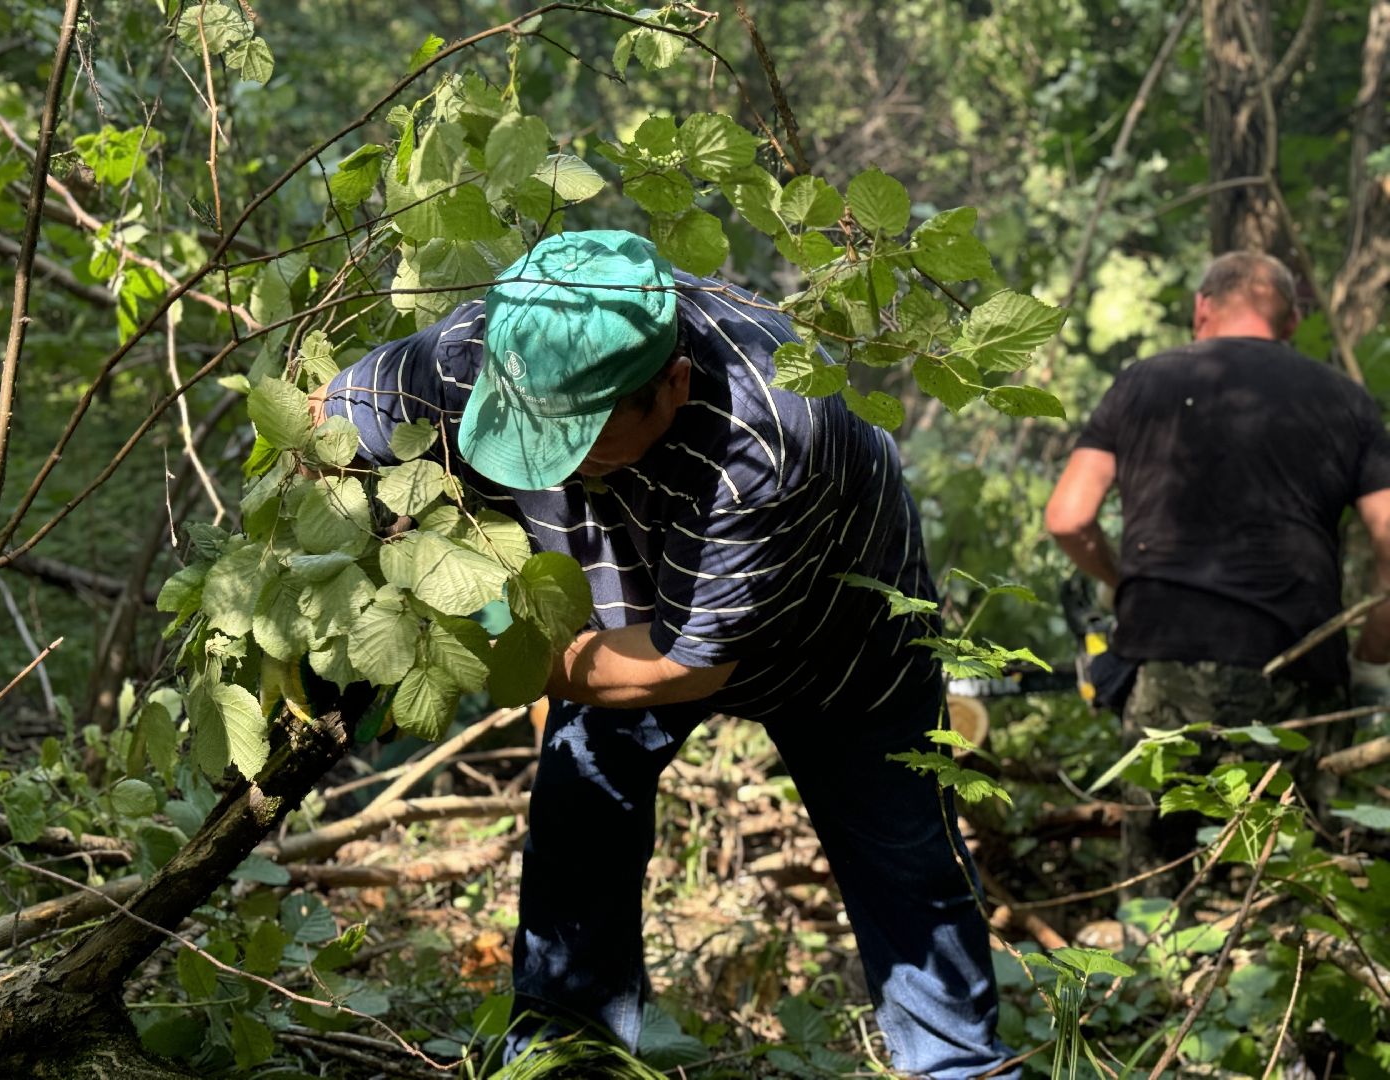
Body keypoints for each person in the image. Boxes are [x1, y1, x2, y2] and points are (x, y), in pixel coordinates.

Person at [312, 230, 1014, 1077]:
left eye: (575, 439)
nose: (545, 466)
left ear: (671, 385)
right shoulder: (477, 352)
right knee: (580, 818)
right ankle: (566, 1055)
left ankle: (962, 1067)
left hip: (840, 640)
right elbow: (325, 420)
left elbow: (684, 665)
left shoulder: (770, 432)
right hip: (618, 601)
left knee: (906, 861)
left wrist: (489, 641)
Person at [1045, 250, 1390, 888]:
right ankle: (1282, 972)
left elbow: (1068, 517)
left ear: (1202, 309)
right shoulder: (1347, 400)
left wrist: (1126, 585)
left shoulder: (1140, 383)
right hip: (1297, 666)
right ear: (1290, 322)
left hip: (1164, 660)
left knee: (1155, 879)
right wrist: (1371, 657)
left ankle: (1150, 979)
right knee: (1282, 879)